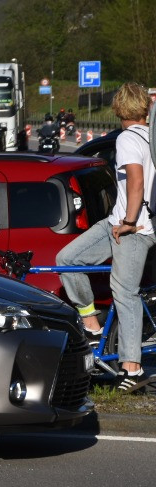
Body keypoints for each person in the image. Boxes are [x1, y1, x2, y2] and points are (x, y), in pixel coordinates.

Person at [55, 82, 156, 392]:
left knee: (124, 291)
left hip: (134, 229)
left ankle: (133, 369)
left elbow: (136, 181)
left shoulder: (128, 138)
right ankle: (92, 324)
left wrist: (128, 221)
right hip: (116, 222)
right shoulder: (149, 136)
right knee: (68, 259)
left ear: (117, 109)